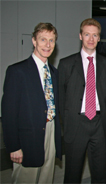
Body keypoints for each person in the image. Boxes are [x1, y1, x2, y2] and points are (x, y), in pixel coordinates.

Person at [1, 22, 61, 183]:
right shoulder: (17, 71)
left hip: (50, 131)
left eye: (51, 40)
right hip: (28, 137)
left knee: (46, 178)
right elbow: (8, 114)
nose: (47, 45)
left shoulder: (54, 73)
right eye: (43, 40)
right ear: (34, 41)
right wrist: (13, 146)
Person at [58, 18, 106, 183]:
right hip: (76, 125)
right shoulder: (66, 64)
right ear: (80, 36)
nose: (91, 39)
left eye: (95, 35)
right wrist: (67, 123)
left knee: (99, 173)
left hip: (99, 124)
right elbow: (61, 97)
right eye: (87, 34)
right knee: (72, 174)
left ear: (99, 38)